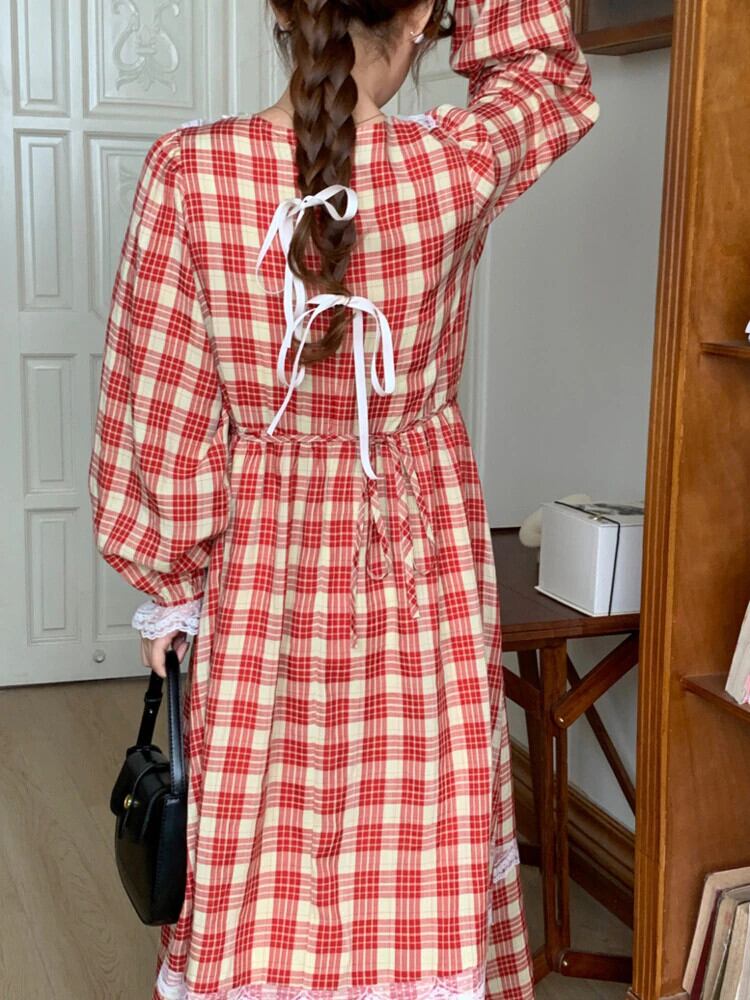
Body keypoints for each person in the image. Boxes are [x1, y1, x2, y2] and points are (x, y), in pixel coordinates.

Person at [88, 1, 599, 997]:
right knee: (417, 839)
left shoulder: (191, 174)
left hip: (258, 581)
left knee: (261, 842)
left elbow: (159, 409)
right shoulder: (452, 165)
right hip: (420, 579)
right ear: (421, 15)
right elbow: (549, 76)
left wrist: (171, 587)